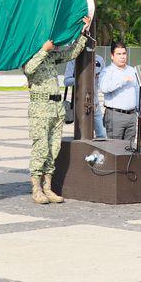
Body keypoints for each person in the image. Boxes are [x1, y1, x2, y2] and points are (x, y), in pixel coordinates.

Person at [22, 17, 89, 204]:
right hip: (40, 108)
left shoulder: (52, 56)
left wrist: (83, 33)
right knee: (40, 149)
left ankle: (48, 187)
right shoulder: (28, 54)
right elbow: (29, 69)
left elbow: (71, 53)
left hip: (56, 108)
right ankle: (36, 188)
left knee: (53, 149)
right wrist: (43, 50)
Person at [98, 42, 141, 142]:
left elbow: (137, 91)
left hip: (131, 116)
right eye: (119, 54)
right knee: (114, 149)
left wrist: (139, 110)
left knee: (130, 149)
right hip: (115, 115)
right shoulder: (107, 71)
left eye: (124, 53)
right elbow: (104, 88)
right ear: (112, 56)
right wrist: (122, 80)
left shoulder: (132, 70)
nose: (122, 57)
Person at [65, 49, 108, 140]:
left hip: (95, 104)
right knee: (82, 137)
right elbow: (66, 81)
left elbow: (104, 80)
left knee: (102, 136)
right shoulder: (73, 60)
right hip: (80, 105)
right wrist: (82, 78)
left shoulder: (99, 59)